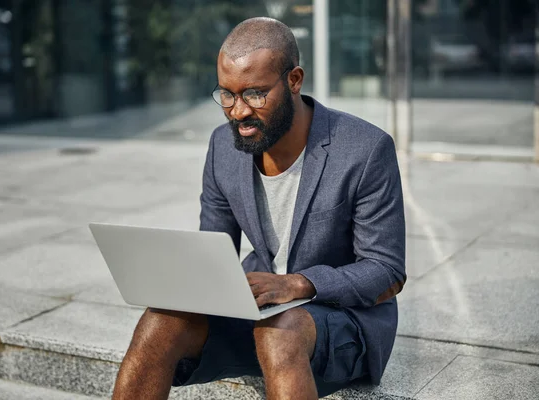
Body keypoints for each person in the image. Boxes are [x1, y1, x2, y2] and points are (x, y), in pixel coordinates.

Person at [112, 17, 406, 400]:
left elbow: (387, 271)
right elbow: (213, 250)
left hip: (339, 323)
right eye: (227, 94)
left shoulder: (365, 150)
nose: (237, 111)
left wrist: (299, 283)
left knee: (280, 333)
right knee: (158, 323)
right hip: (259, 314)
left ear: (294, 80)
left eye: (254, 93)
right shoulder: (223, 147)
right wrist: (178, 281)